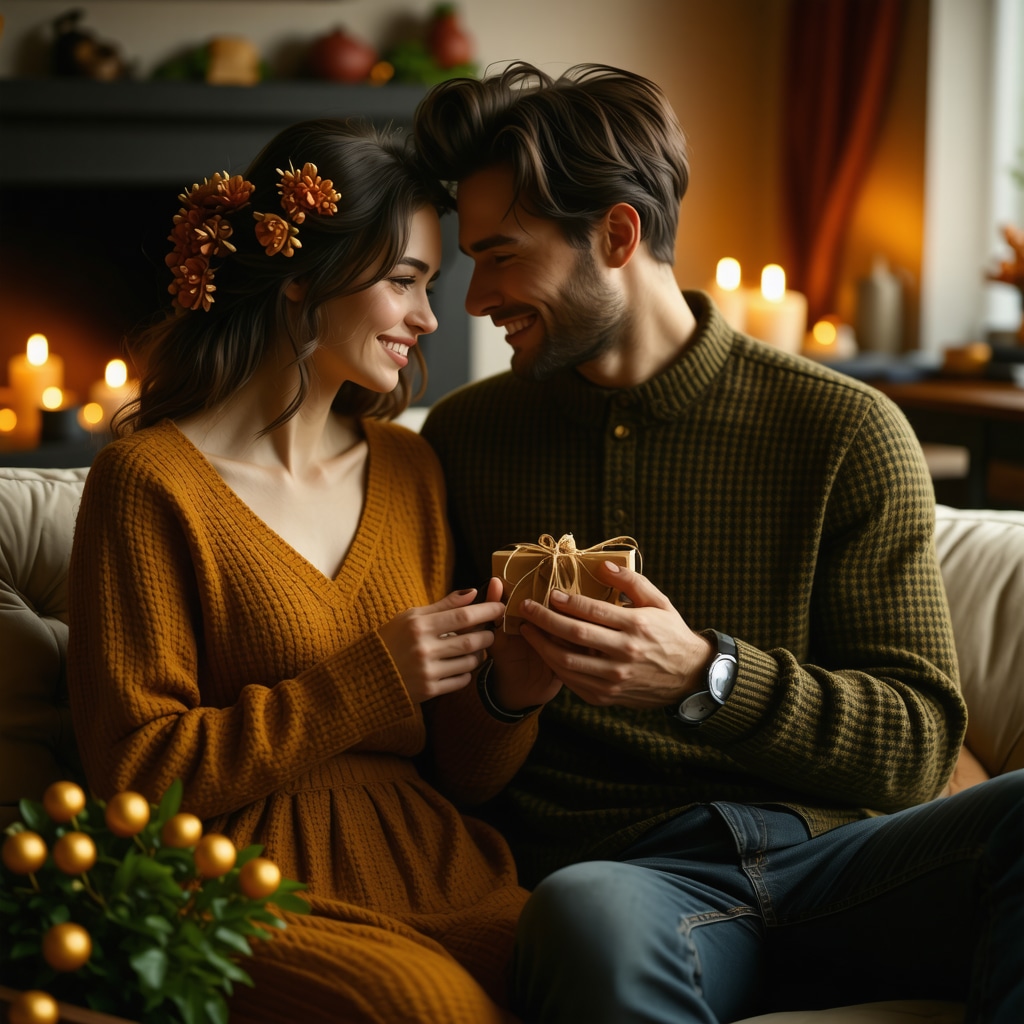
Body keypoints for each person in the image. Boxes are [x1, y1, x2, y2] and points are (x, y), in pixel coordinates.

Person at [413, 63, 1024, 1023]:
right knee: (583, 914)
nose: (475, 300)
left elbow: (916, 747)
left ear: (617, 235)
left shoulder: (846, 431)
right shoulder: (465, 440)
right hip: (630, 885)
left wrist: (706, 677)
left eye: (501, 256)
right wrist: (506, 695)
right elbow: (455, 771)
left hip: (843, 864)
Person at [66, 117, 535, 1024]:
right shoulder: (149, 481)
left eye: (430, 284)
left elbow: (463, 774)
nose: (430, 318)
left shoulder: (410, 468)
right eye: (403, 280)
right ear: (302, 278)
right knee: (422, 1008)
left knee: (591, 970)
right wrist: (367, 680)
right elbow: (133, 775)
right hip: (238, 880)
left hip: (434, 865)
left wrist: (511, 693)